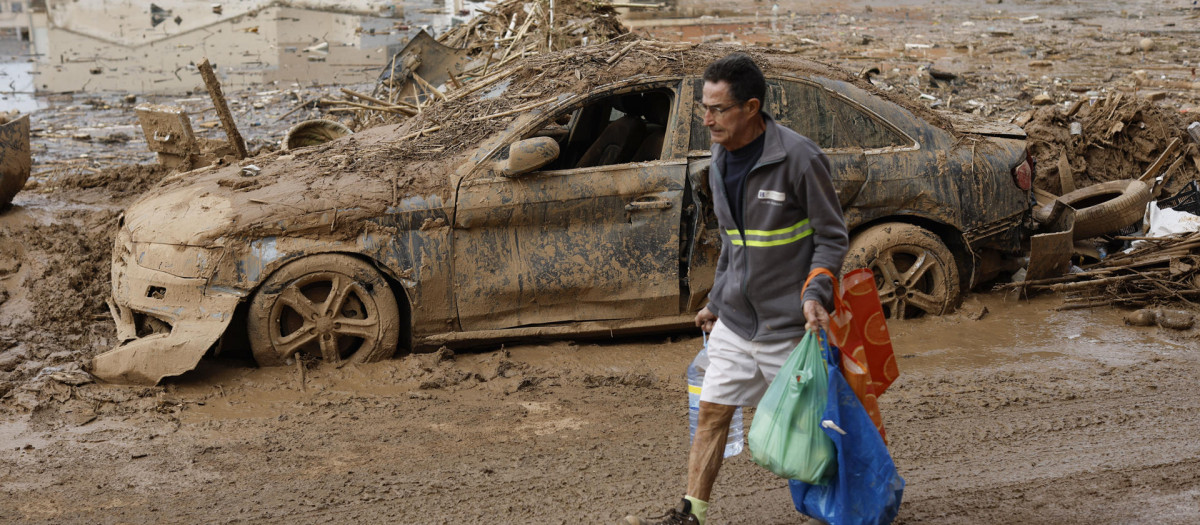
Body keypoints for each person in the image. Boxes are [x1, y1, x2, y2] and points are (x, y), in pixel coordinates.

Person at [624, 53, 849, 525]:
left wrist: (816, 296)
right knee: (710, 417)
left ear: (751, 107)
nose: (706, 120)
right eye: (704, 108)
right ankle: (692, 514)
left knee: (815, 435)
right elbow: (734, 243)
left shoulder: (800, 159)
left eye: (717, 109)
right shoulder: (721, 158)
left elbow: (831, 238)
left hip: (791, 331)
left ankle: (852, 509)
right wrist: (716, 301)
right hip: (736, 325)